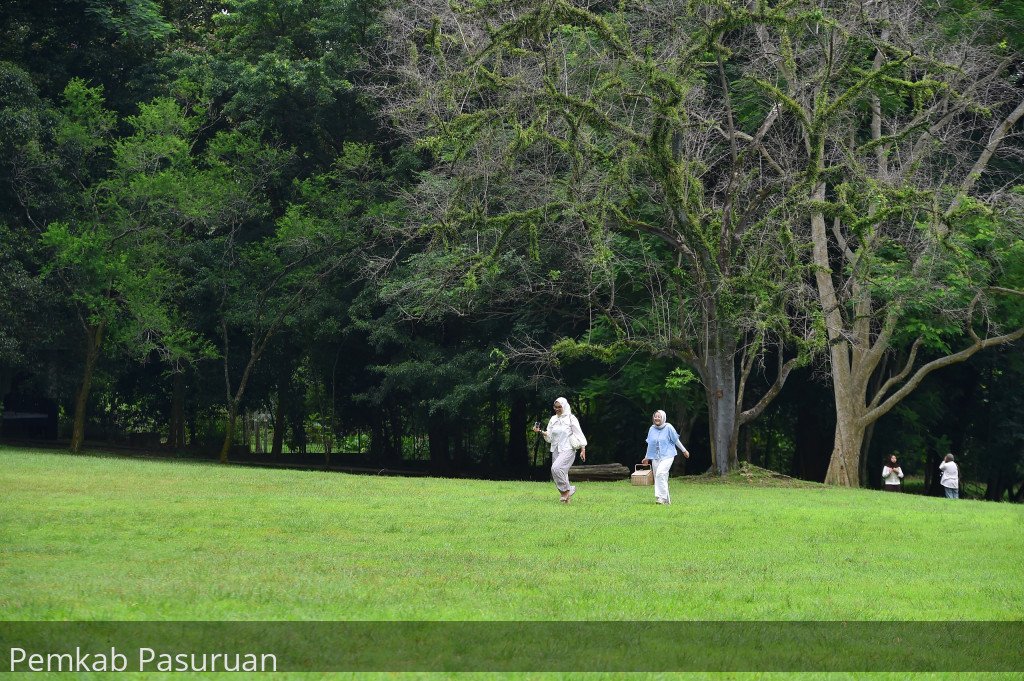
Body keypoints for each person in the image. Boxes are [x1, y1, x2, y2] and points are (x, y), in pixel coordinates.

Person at [533, 397, 587, 503]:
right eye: (555, 407)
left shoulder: (571, 418)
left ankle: (568, 490)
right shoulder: (553, 419)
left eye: (559, 407)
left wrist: (583, 448)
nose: (557, 409)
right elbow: (549, 436)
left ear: (564, 406)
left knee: (556, 468)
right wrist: (540, 431)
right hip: (556, 449)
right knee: (562, 472)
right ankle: (566, 500)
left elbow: (578, 433)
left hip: (568, 448)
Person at [640, 410, 689, 505]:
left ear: (663, 418)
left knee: (660, 473)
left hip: (668, 455)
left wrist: (684, 450)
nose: (657, 418)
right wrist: (647, 457)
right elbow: (650, 444)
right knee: (658, 476)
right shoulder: (652, 429)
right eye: (655, 416)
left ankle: (661, 498)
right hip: (655, 457)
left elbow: (676, 440)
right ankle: (665, 500)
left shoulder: (668, 427)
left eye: (659, 416)